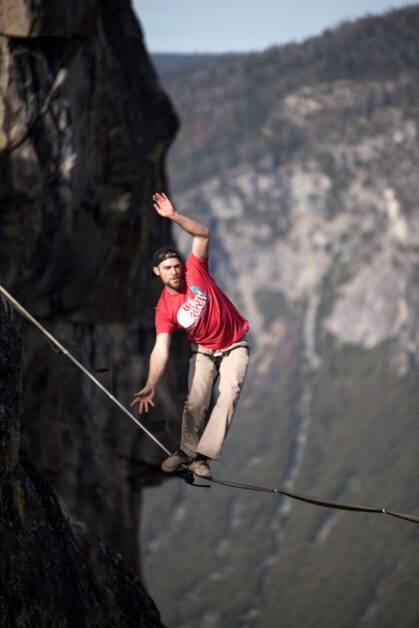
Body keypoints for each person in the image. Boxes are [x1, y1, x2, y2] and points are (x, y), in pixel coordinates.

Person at [130, 193, 249, 478]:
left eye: (176, 266)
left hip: (235, 345)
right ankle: (186, 451)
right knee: (196, 402)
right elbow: (161, 350)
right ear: (156, 272)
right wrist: (150, 383)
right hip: (204, 351)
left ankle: (202, 457)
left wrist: (173, 216)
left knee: (229, 392)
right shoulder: (163, 309)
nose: (175, 271)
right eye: (168, 268)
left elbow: (203, 233)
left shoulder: (196, 269)